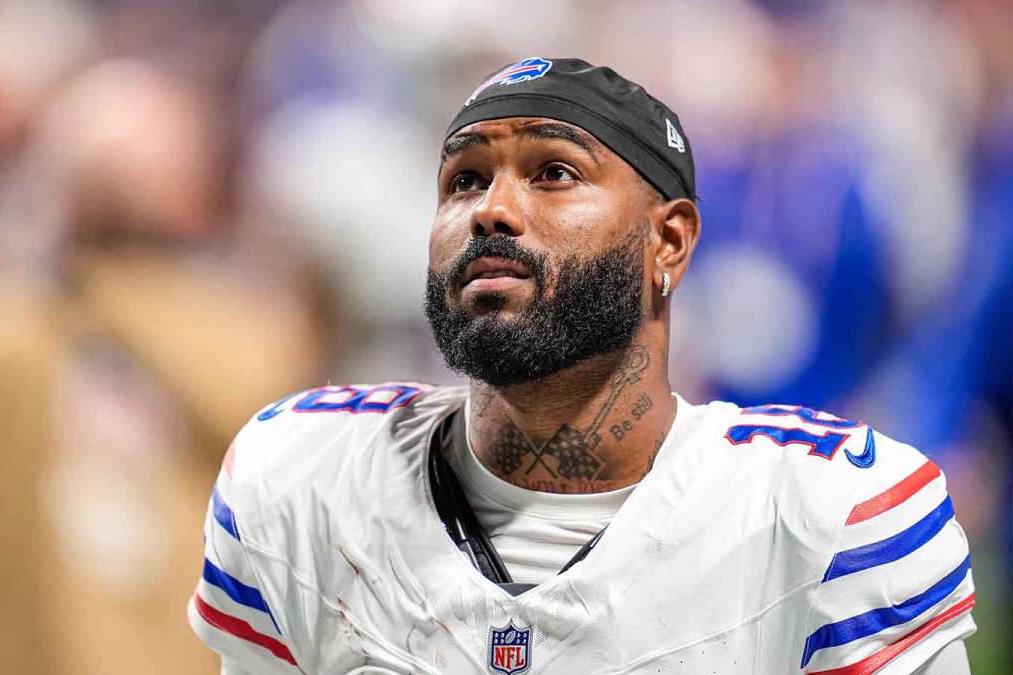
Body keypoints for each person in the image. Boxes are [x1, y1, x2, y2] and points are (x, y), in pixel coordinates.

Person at [188, 58, 976, 674]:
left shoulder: (826, 518)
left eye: (553, 173)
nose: (490, 208)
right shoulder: (304, 479)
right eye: (464, 180)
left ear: (667, 242)